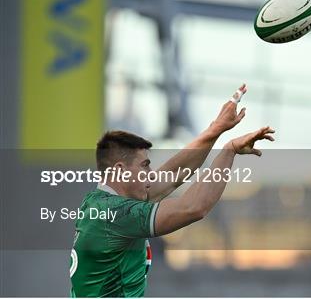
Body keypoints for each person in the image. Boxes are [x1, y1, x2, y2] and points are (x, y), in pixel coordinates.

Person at [69, 84, 275, 297]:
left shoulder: (100, 202)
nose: (151, 173)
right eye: (144, 165)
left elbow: (170, 178)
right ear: (120, 170)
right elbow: (192, 207)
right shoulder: (118, 215)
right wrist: (228, 151)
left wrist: (215, 130)